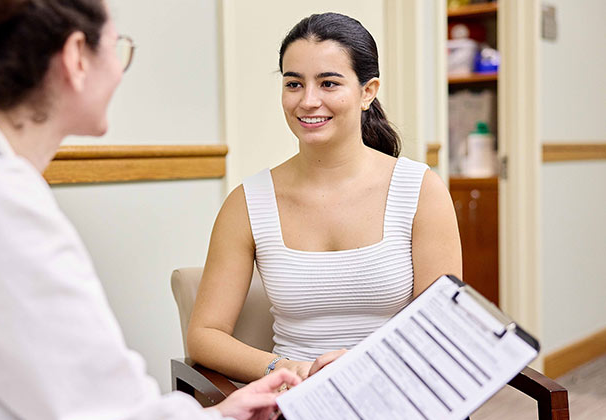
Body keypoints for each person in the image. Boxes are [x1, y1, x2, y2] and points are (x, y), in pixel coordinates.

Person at [0, 1, 301, 419]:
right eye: (116, 47)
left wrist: (217, 415)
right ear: (77, 56)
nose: (120, 71)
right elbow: (104, 410)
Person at [187, 12, 462, 384]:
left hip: (398, 387)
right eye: (294, 84)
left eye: (329, 83)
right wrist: (284, 369)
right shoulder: (247, 202)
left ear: (368, 92)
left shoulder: (421, 190)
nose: (308, 101)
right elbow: (205, 335)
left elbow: (441, 325)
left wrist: (370, 368)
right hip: (295, 394)